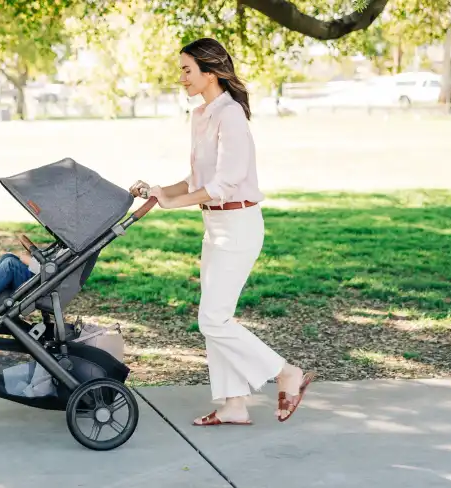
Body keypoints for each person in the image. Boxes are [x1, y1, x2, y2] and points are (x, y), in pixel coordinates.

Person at [129, 38, 315, 426]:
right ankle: (234, 404)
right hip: (214, 226)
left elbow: (227, 183)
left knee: (212, 319)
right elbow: (198, 179)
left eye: (187, 70)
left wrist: (174, 202)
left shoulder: (230, 116)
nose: (181, 77)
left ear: (210, 73)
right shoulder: (200, 116)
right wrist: (160, 191)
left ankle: (286, 373)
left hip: (239, 225)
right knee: (217, 316)